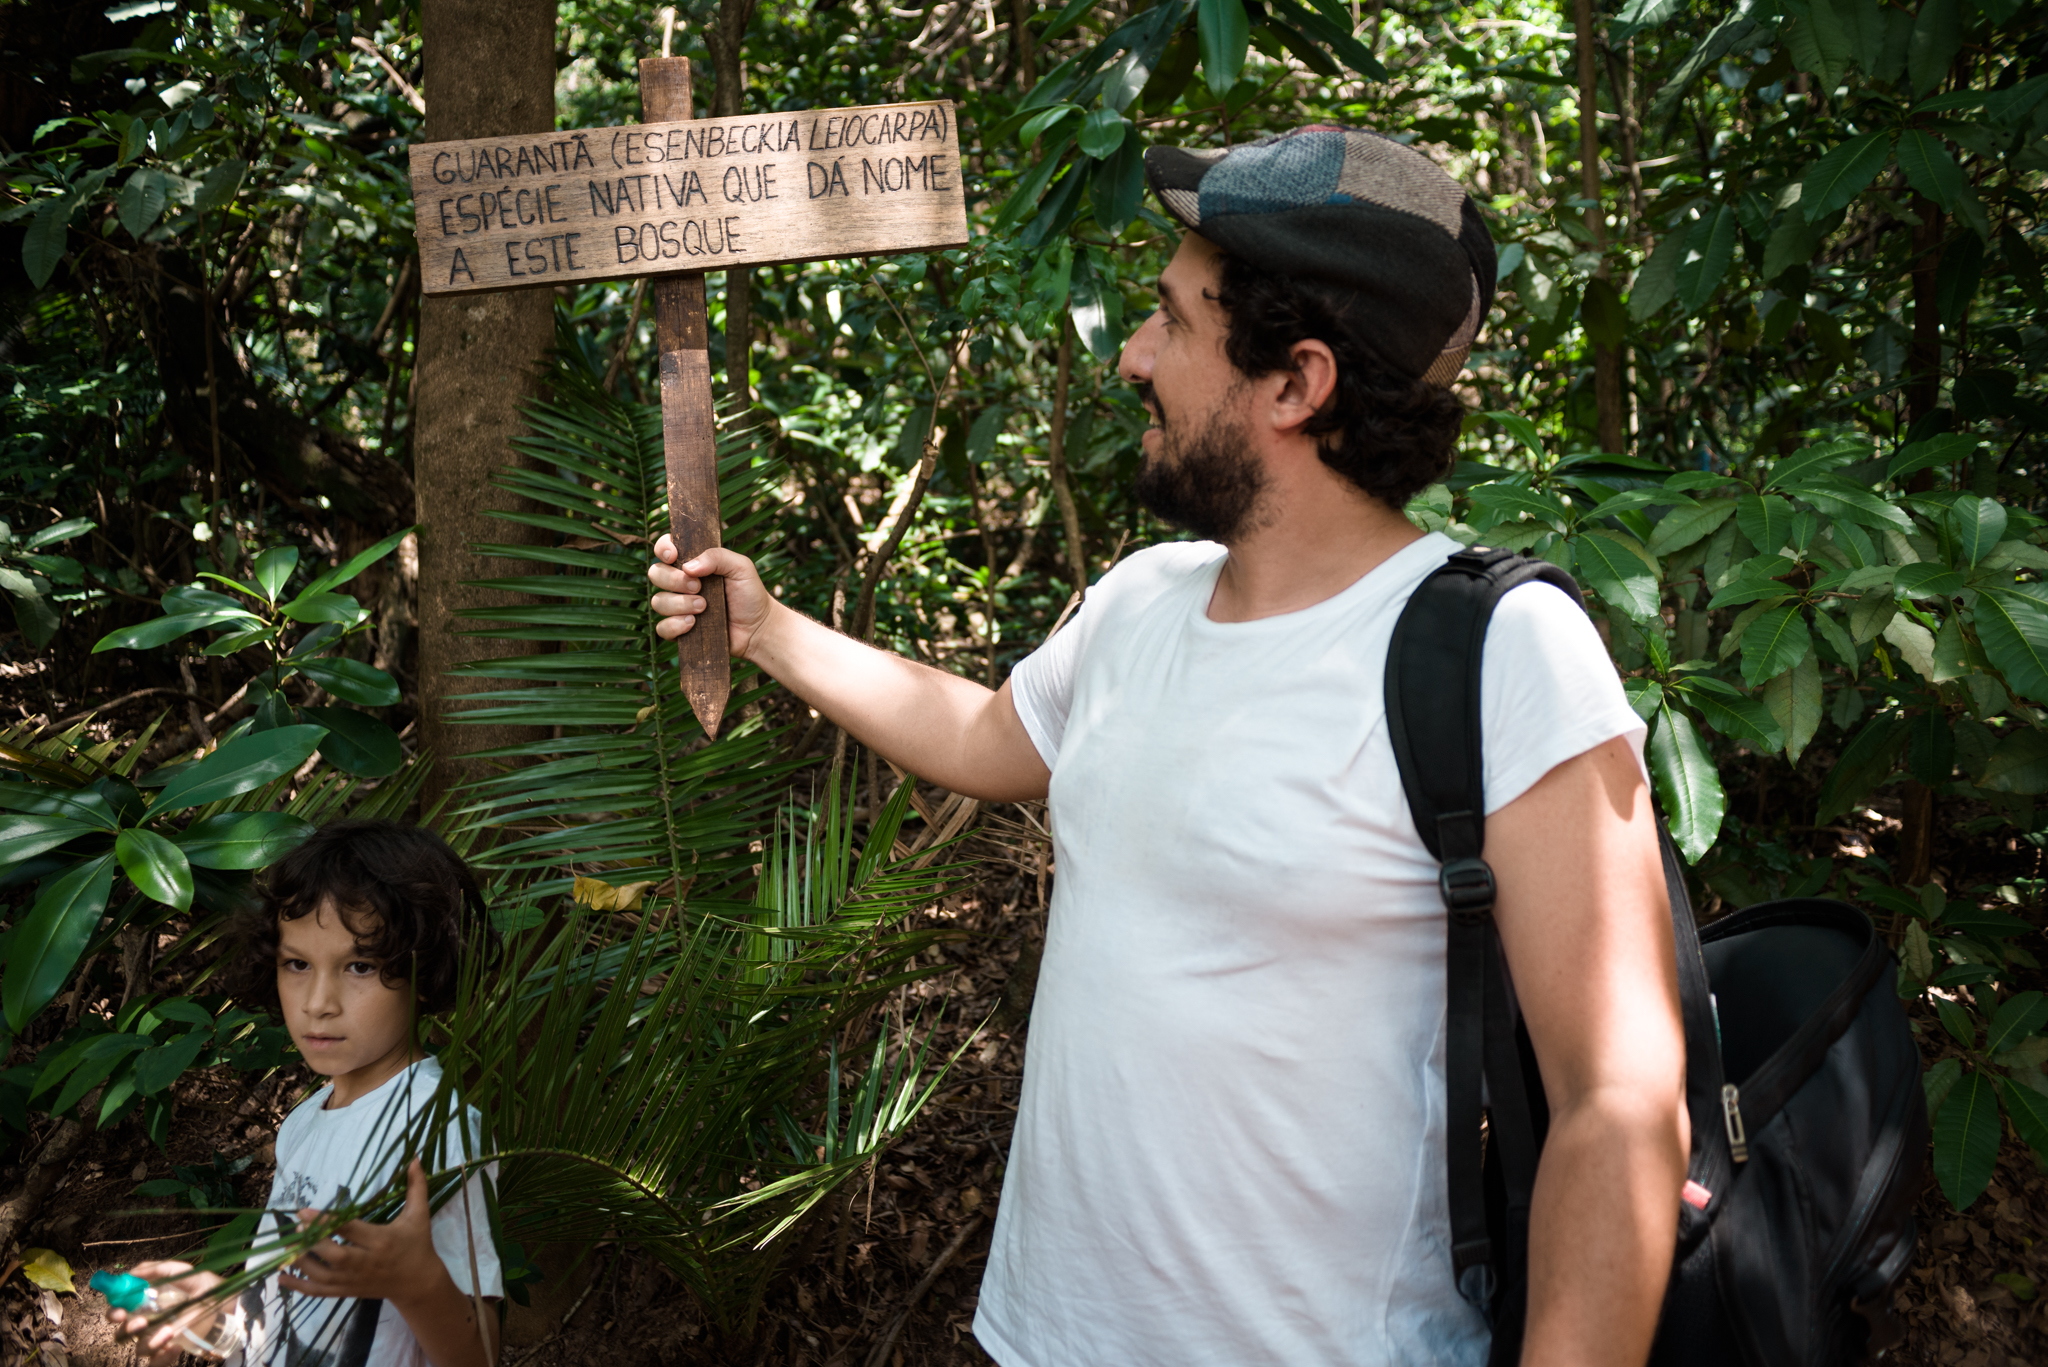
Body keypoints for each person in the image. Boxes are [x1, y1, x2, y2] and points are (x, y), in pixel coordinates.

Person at [648, 126, 1689, 1367]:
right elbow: (988, 735)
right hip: (1043, 1338)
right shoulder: (1143, 596)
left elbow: (1616, 1106)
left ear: (1296, 384)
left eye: (1171, 322)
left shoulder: (1497, 650)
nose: (1132, 357)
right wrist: (765, 630)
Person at [106, 820, 503, 1367]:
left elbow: (477, 1355)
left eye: (359, 966)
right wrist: (208, 1314)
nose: (318, 1001)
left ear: (427, 972)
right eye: (297, 964)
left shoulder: (433, 1124)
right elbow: (280, 1318)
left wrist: (420, 1283)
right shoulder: (303, 1124)